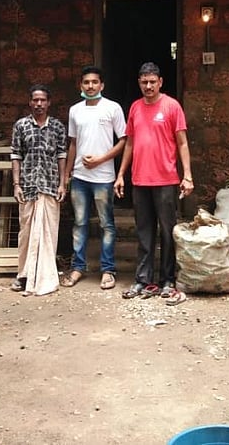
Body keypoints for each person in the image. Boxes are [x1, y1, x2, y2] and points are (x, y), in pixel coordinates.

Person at [114, 62, 193, 300]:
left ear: (160, 82)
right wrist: (121, 175)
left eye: (152, 82)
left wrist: (187, 175)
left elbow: (182, 143)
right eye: (144, 82)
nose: (148, 86)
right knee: (144, 232)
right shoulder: (136, 108)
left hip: (166, 179)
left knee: (167, 232)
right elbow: (129, 142)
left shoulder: (171, 106)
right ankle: (143, 280)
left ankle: (168, 279)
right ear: (139, 83)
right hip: (140, 180)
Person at [61, 66, 127, 290]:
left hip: (103, 177)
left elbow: (124, 141)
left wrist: (101, 159)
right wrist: (67, 174)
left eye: (94, 82)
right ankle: (78, 267)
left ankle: (107, 270)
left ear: (102, 85)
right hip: (80, 176)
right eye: (86, 82)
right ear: (81, 85)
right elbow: (73, 143)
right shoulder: (75, 111)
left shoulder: (112, 108)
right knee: (79, 223)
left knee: (106, 224)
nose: (90, 86)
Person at [10, 84, 68, 296]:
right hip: (27, 187)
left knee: (48, 233)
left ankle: (44, 276)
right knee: (26, 233)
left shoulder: (57, 127)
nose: (39, 104)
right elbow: (16, 155)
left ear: (49, 103)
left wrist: (63, 183)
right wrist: (16, 184)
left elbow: (62, 156)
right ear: (30, 102)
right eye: (35, 100)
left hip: (50, 186)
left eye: (43, 100)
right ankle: (23, 275)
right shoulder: (21, 126)